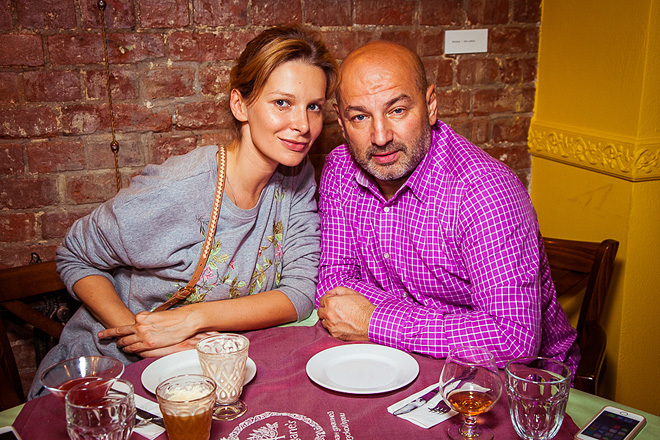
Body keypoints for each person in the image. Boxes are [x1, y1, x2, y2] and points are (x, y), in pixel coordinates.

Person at [29, 25, 338, 398]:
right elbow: (75, 255)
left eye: (313, 107)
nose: (302, 125)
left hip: (201, 371)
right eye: (282, 103)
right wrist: (143, 338)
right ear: (240, 105)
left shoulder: (296, 177)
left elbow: (299, 292)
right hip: (109, 374)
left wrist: (191, 319)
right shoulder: (182, 188)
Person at [315, 40, 579, 373]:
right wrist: (451, 326)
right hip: (395, 361)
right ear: (341, 123)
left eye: (398, 110)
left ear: (430, 105)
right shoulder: (340, 169)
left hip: (522, 382)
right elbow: (334, 282)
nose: (380, 137)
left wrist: (374, 320)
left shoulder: (485, 191)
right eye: (359, 117)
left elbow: (513, 337)